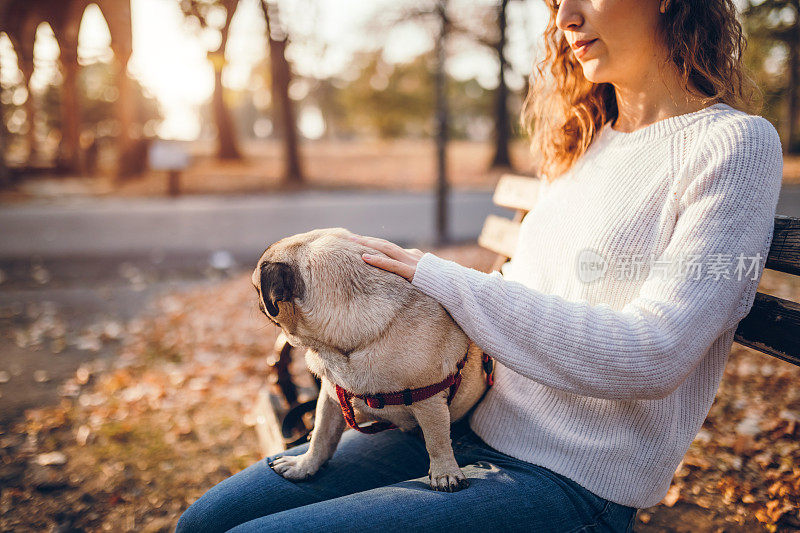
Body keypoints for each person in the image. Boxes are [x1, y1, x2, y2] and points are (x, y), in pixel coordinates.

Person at [176, 0, 784, 531]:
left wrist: (438, 276)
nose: (565, 17)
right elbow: (517, 293)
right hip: (464, 421)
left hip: (570, 481)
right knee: (205, 522)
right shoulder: (589, 139)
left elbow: (656, 353)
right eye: (553, 1)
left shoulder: (734, 147)